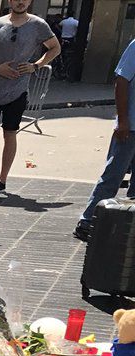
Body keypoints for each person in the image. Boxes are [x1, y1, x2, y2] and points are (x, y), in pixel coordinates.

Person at [0, 0, 58, 196]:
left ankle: (2, 181)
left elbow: (54, 47)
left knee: (10, 133)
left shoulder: (38, 24)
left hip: (17, 91)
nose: (20, 1)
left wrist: (36, 65)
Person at [75, 38, 135, 241]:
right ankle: (87, 221)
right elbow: (121, 81)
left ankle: (128, 226)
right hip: (131, 126)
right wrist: (123, 119)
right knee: (113, 175)